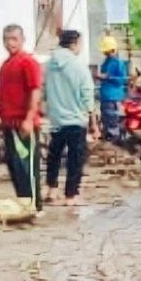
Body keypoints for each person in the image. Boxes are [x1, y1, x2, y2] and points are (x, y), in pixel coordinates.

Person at [0, 25, 43, 210]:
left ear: (23, 40)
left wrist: (29, 119)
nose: (10, 43)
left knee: (27, 167)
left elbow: (35, 91)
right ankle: (23, 205)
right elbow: (3, 95)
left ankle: (35, 206)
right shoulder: (5, 65)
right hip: (9, 124)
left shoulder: (28, 62)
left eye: (14, 39)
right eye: (6, 39)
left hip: (24, 125)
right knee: (14, 167)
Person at [44, 30, 95, 206]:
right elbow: (87, 96)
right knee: (75, 157)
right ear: (74, 44)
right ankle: (71, 195)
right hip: (75, 119)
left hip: (56, 118)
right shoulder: (79, 67)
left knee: (54, 155)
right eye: (80, 44)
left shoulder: (48, 65)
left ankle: (51, 189)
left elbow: (43, 91)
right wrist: (93, 121)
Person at [97, 35, 128, 144]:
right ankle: (107, 135)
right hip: (105, 95)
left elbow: (123, 79)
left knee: (112, 117)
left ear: (114, 50)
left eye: (108, 51)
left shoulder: (118, 63)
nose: (106, 54)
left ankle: (114, 138)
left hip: (113, 96)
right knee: (106, 117)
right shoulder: (106, 62)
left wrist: (108, 77)